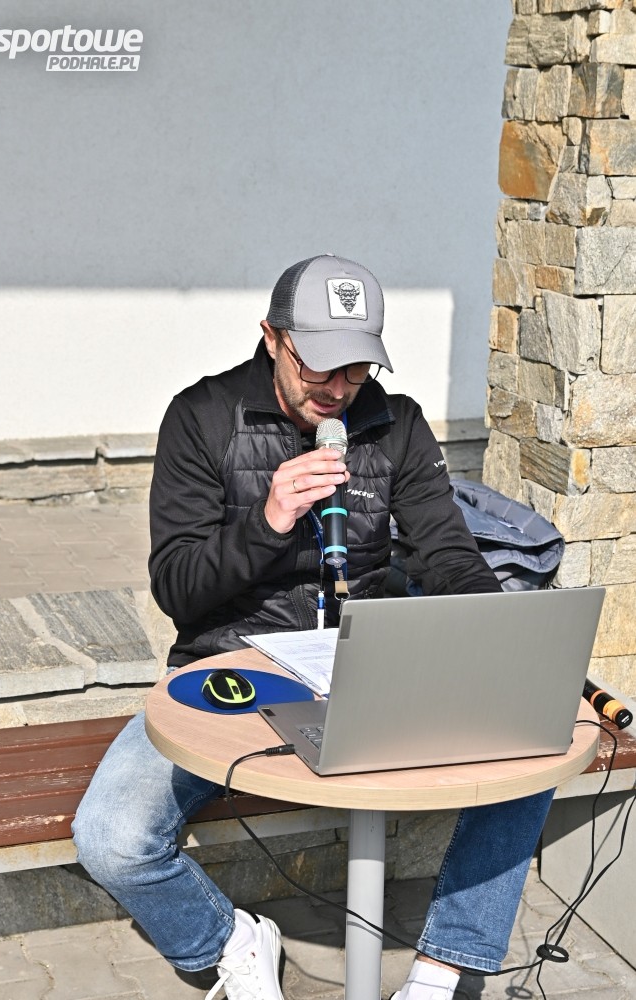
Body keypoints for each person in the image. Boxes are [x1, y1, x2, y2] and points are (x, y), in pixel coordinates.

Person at [73, 254, 554, 1000]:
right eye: (319, 366)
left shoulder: (395, 424)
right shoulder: (202, 417)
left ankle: (444, 968)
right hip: (230, 668)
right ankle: (231, 942)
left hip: (362, 663)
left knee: (533, 740)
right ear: (272, 338)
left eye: (356, 369)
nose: (337, 389)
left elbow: (447, 552)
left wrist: (501, 638)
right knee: (111, 837)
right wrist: (267, 521)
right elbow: (177, 589)